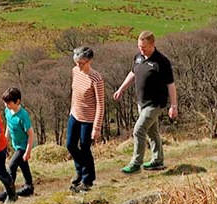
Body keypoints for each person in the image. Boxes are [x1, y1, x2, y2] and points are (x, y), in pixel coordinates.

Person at [113, 31, 177, 174]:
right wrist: (121, 89)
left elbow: (171, 84)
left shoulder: (162, 61)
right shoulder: (138, 58)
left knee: (139, 130)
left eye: (144, 47)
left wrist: (173, 106)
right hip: (141, 102)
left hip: (155, 103)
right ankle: (158, 161)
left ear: (153, 44)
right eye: (139, 46)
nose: (141, 50)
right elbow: (133, 73)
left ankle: (136, 163)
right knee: (152, 132)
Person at [66, 46, 105, 192]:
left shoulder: (96, 78)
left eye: (81, 63)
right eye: (76, 62)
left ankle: (87, 180)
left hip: (89, 119)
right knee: (70, 145)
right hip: (75, 114)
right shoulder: (75, 71)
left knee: (85, 148)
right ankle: (79, 171)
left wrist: (97, 127)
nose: (78, 65)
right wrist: (71, 110)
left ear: (89, 61)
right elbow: (74, 93)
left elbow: (101, 104)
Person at [0, 87, 35, 201]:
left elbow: (31, 134)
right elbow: (9, 126)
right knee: (23, 165)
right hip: (15, 144)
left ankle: (9, 191)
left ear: (17, 102)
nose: (6, 105)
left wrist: (28, 151)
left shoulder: (23, 116)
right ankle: (29, 186)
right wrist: (5, 140)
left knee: (12, 166)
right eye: (5, 103)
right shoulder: (7, 111)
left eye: (9, 103)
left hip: (23, 145)